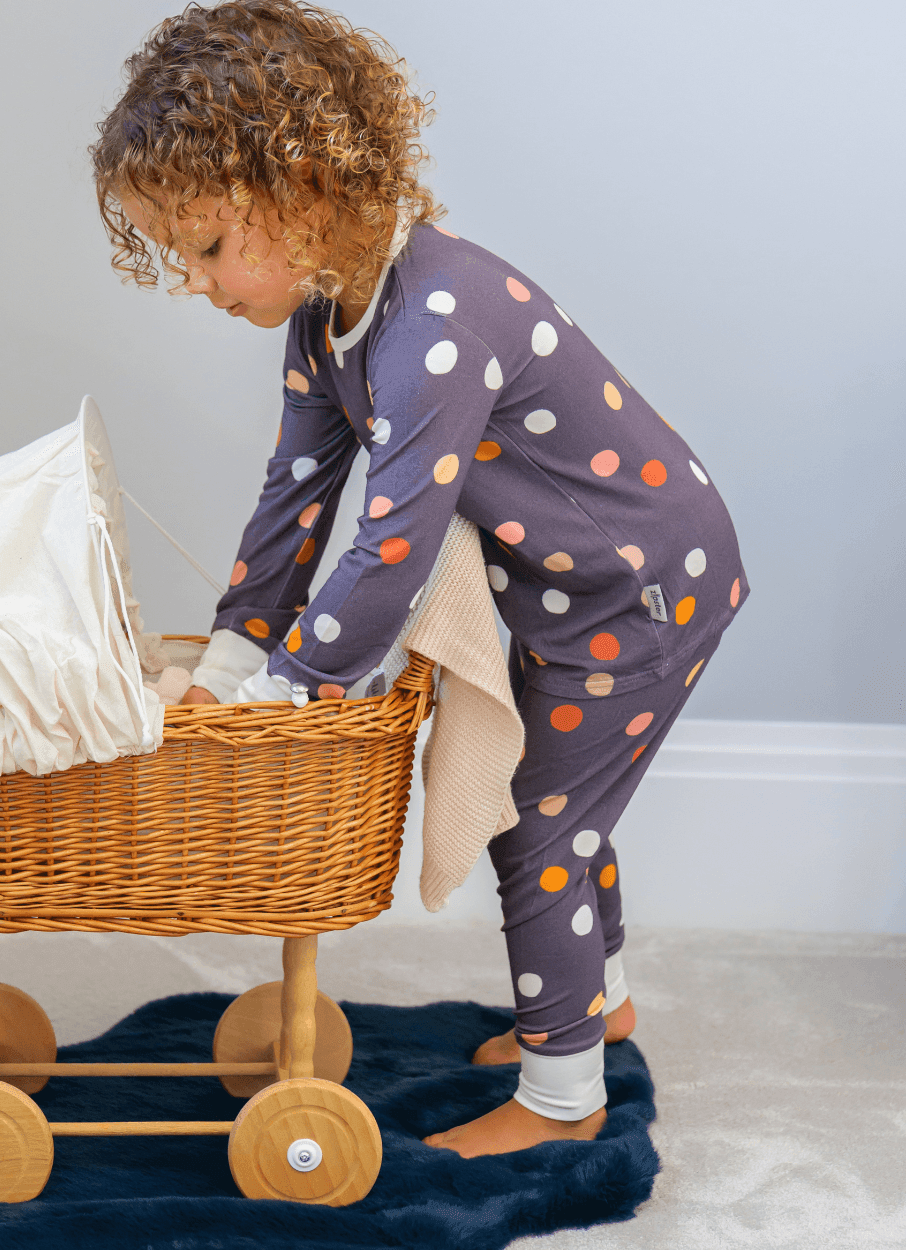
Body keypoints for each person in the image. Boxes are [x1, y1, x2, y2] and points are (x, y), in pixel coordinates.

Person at [89, 0, 748, 1157]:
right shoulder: (321, 325)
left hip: (643, 586)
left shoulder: (435, 321)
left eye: (208, 247)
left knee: (537, 828)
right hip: (572, 588)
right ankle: (598, 1004)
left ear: (302, 189)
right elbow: (293, 503)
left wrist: (286, 694)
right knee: (555, 808)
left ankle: (562, 1099)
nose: (195, 282)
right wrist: (233, 659)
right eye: (177, 254)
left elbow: (390, 547)